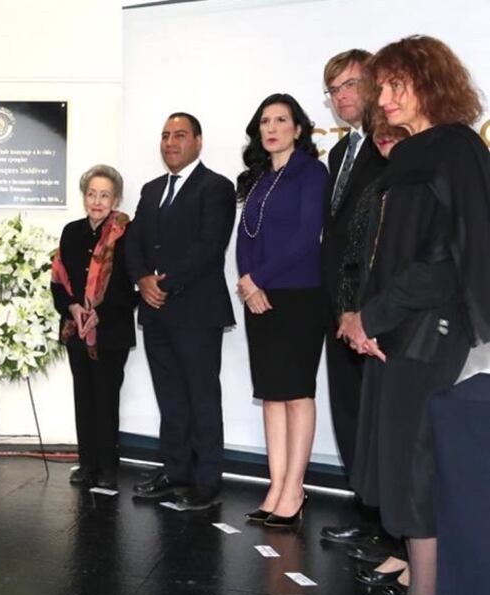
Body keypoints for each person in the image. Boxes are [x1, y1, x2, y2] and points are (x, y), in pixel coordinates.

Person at [338, 35, 490, 595]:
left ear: (431, 83)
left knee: (416, 467)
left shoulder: (454, 149)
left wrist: (373, 316)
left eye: (400, 83)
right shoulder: (417, 153)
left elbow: (446, 263)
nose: (386, 97)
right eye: (384, 85)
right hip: (399, 329)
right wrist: (364, 317)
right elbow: (383, 253)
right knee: (401, 466)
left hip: (429, 330)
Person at [126, 112, 236, 509]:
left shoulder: (217, 187)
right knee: (170, 396)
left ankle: (207, 481)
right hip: (155, 311)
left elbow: (210, 248)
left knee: (202, 397)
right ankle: (175, 471)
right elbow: (133, 241)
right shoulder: (152, 189)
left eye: (180, 135)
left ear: (199, 141)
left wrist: (163, 284)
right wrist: (142, 280)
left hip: (196, 311)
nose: (170, 142)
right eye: (165, 135)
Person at [235, 93, 328, 527]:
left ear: (298, 128)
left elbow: (307, 237)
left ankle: (295, 489)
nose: (271, 128)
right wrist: (247, 279)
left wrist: (259, 279)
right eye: (264, 121)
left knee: (297, 394)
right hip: (260, 296)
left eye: (281, 120)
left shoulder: (312, 172)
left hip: (298, 296)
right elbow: (245, 237)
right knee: (272, 395)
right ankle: (275, 486)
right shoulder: (256, 179)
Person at [318, 48, 390, 547]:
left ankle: (391, 528)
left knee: (380, 416)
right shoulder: (341, 152)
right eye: (334, 89)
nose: (342, 96)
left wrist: (364, 307)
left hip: (374, 308)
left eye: (350, 84)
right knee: (347, 410)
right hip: (335, 304)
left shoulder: (393, 145)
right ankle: (365, 511)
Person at [51, 165, 136, 490]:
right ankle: (87, 464)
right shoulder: (71, 231)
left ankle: (107, 467)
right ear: (84, 196)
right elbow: (58, 280)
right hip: (76, 330)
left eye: (104, 195)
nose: (97, 201)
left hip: (110, 331)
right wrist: (73, 307)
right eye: (91, 194)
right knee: (83, 397)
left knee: (105, 398)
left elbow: (130, 286)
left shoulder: (127, 233)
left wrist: (100, 312)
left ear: (115, 199)